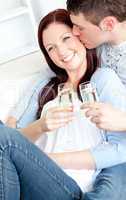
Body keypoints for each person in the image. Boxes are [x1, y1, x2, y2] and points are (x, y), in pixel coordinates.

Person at [1, 9, 126, 200]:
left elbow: (120, 149)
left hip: (68, 184)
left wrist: (50, 161)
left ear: (80, 36)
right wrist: (41, 126)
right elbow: (14, 139)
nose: (61, 51)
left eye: (66, 38)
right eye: (51, 48)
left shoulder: (103, 79)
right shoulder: (45, 85)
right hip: (33, 179)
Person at [66, 0, 126, 132]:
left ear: (108, 24)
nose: (74, 32)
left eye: (80, 27)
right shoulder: (95, 45)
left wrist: (123, 121)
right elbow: (54, 69)